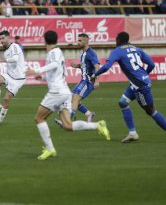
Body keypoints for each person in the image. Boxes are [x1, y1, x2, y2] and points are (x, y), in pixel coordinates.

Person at [26, 31, 110, 161]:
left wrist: (37, 70)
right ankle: (98, 125)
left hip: (57, 92)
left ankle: (49, 149)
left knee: (39, 118)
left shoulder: (53, 52)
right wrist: (42, 77)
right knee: (67, 126)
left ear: (45, 41)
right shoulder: (58, 52)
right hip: (64, 91)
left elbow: (53, 65)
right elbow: (56, 73)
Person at [91, 32, 166, 143]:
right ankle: (132, 133)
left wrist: (95, 74)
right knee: (123, 102)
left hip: (140, 86)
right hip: (137, 83)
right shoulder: (136, 49)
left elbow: (106, 66)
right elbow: (152, 64)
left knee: (151, 111)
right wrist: (144, 75)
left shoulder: (117, 51)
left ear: (118, 40)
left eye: (116, 39)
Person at [0, 30, 26, 127]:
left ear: (9, 37)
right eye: (0, 39)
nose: (1, 40)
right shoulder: (6, 51)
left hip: (19, 79)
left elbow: (15, 59)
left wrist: (3, 60)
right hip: (9, 75)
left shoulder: (15, 47)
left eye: (3, 38)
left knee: (7, 98)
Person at [65, 33, 99, 122]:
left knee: (76, 98)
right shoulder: (83, 54)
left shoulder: (90, 53)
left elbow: (97, 66)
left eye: (80, 41)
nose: (78, 42)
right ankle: (89, 114)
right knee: (72, 98)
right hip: (83, 81)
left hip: (88, 82)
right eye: (78, 40)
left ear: (86, 41)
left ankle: (67, 121)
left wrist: (97, 81)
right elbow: (86, 66)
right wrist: (77, 66)